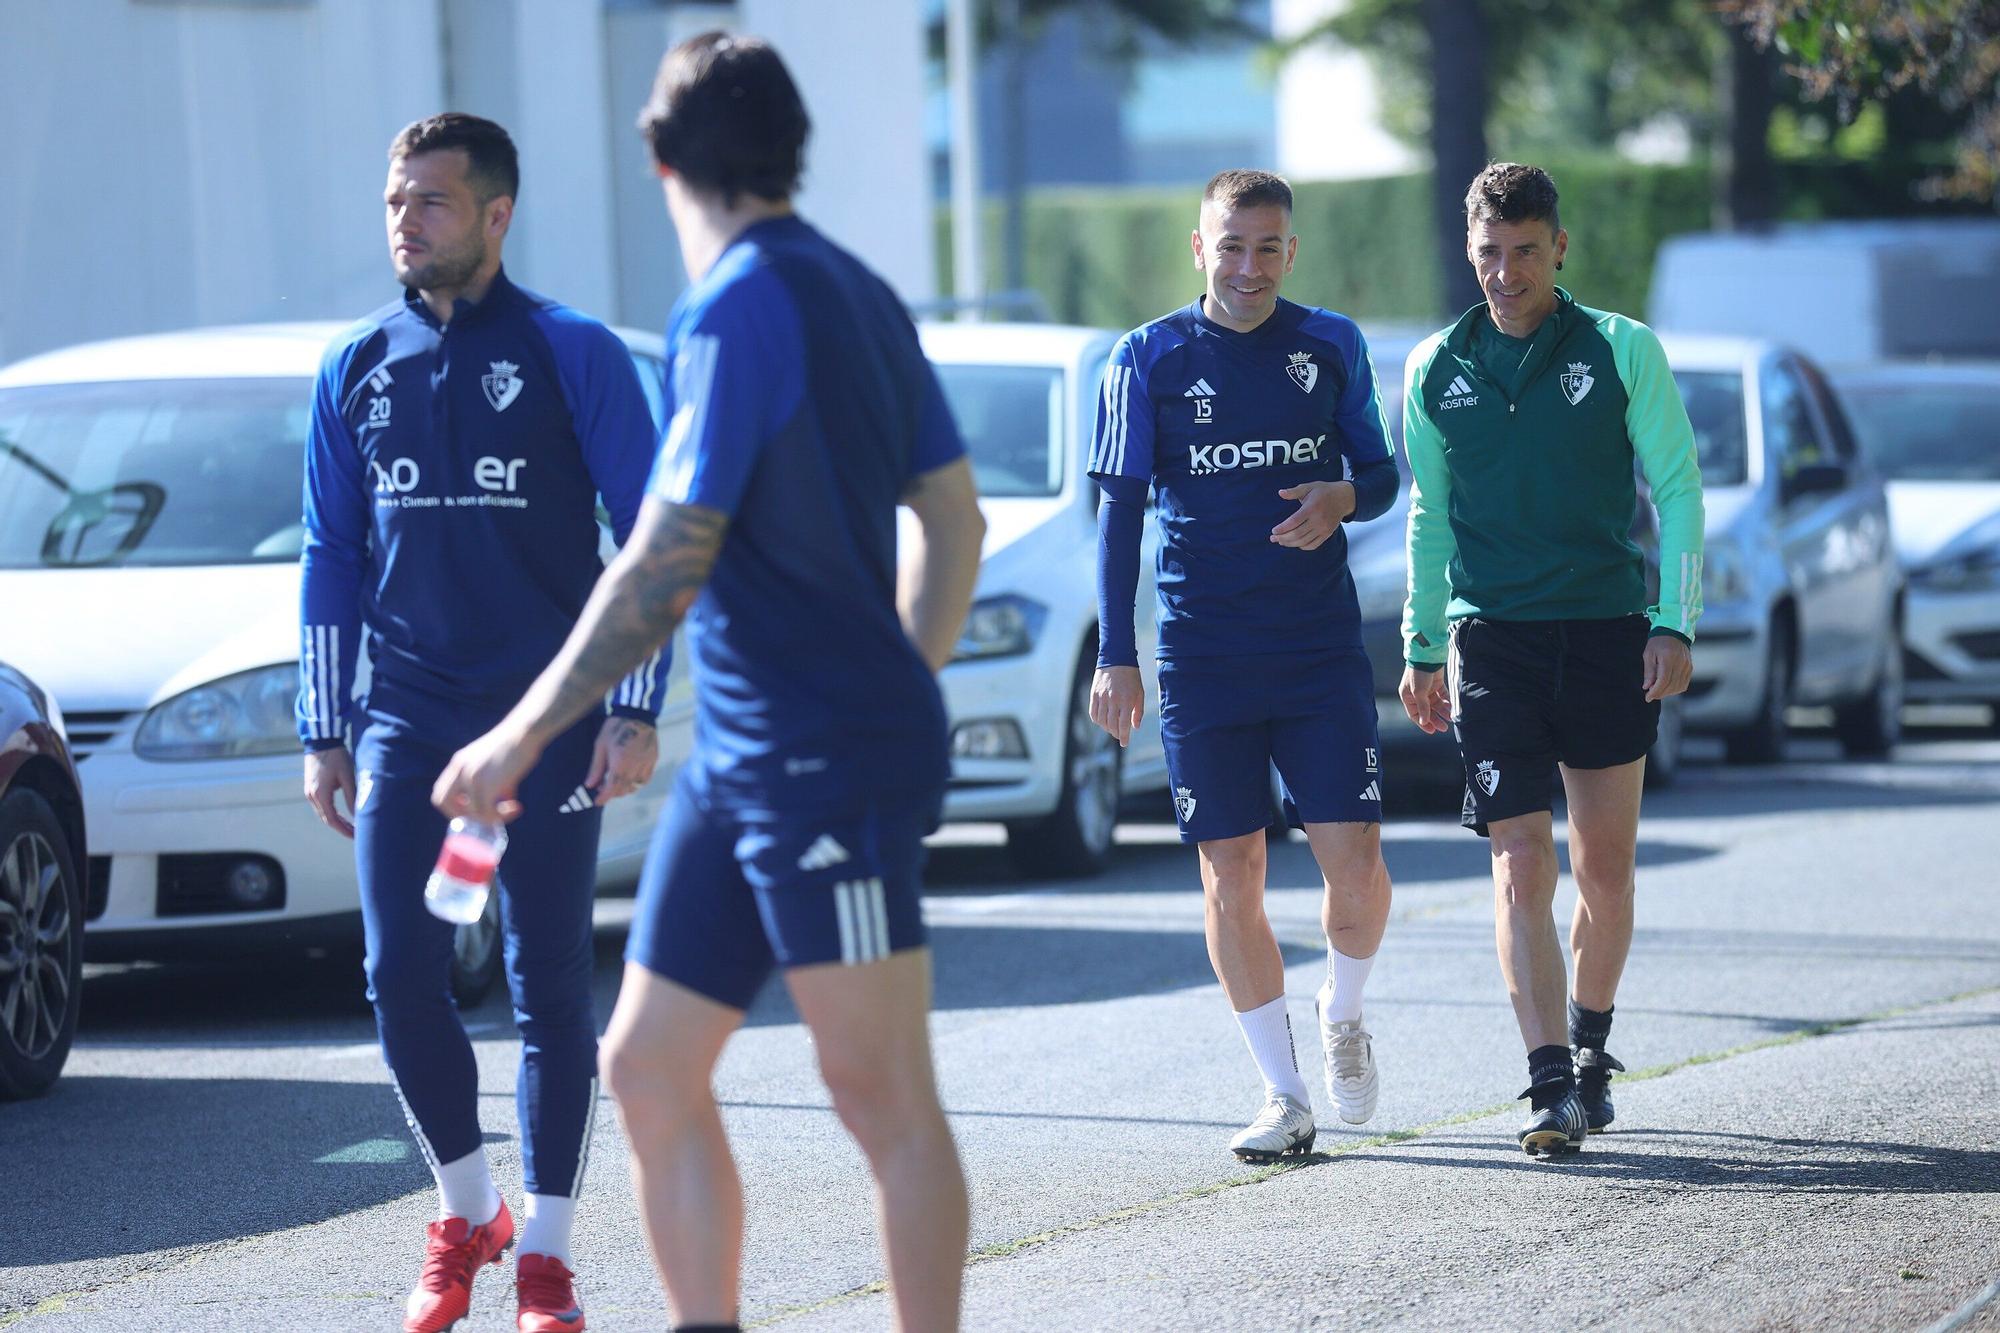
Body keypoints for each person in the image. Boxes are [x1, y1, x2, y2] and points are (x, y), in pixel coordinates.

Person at [430, 32, 985, 1333]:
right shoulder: (853, 288)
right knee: (647, 1067)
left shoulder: (742, 305)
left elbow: (665, 561)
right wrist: (908, 675)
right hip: (742, 758)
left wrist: (516, 735)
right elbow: (953, 521)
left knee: (881, 1093)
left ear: (661, 157)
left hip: (823, 753)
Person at [298, 113, 667, 1332]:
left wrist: (633, 709)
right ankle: (468, 1211)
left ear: (498, 215)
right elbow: (331, 551)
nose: (406, 220)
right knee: (399, 974)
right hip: (406, 718)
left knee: (546, 984)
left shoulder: (574, 353)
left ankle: (548, 1257)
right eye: (396, 200)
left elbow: (651, 543)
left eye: (432, 202)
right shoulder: (354, 363)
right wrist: (323, 726)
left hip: (550, 714)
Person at [1090, 169, 1401, 1162]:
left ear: (1290, 252)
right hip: (1201, 653)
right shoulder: (1144, 358)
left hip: (1314, 649)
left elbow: (1384, 474)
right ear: (1198, 248)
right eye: (1230, 245)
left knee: (1352, 862)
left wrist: (1340, 501)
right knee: (1231, 873)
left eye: (1267, 246)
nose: (1247, 265)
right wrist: (1115, 654)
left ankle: (1341, 1008)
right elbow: (1119, 514)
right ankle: (1280, 1093)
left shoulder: (1330, 343)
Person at [1397, 162, 1704, 1158]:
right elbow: (1428, 517)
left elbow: (1678, 489)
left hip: (1606, 629)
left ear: (1557, 247)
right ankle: (1544, 1087)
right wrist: (1418, 642)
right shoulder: (1432, 367)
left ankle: (1589, 1048)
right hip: (1492, 639)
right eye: (1487, 253)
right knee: (1518, 861)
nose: (1503, 273)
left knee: (1602, 868)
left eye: (1523, 252)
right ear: (1468, 248)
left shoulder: (1621, 350)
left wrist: (1674, 620)